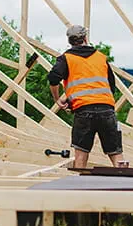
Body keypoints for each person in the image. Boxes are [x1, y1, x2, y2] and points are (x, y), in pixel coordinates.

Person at [47, 24, 128, 169]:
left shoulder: (66, 58)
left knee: (81, 156)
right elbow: (110, 85)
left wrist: (58, 99)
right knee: (116, 154)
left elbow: (53, 78)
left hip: (83, 112)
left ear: (70, 41)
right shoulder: (100, 57)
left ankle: (79, 189)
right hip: (107, 111)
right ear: (85, 38)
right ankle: (125, 185)